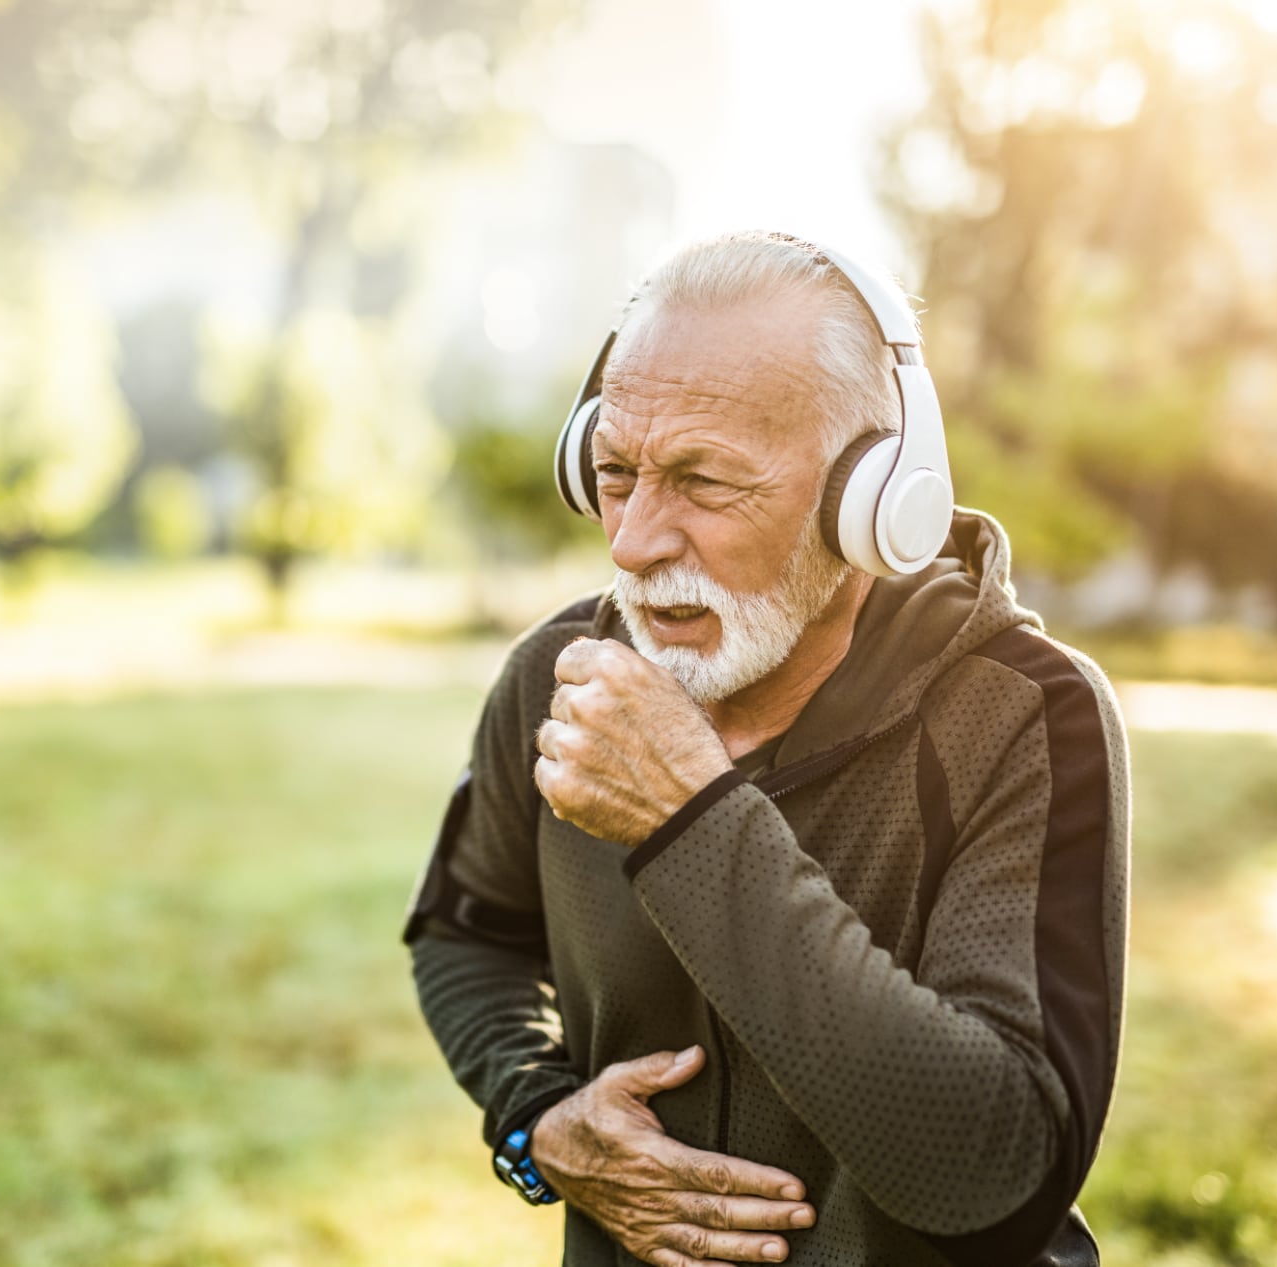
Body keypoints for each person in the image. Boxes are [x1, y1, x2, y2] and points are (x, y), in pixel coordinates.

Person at [403, 231, 1130, 1267]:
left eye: (703, 481)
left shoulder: (1024, 717)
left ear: (872, 499)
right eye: (614, 471)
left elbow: (992, 1174)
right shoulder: (555, 677)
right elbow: (462, 932)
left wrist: (688, 819)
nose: (633, 540)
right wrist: (537, 1120)